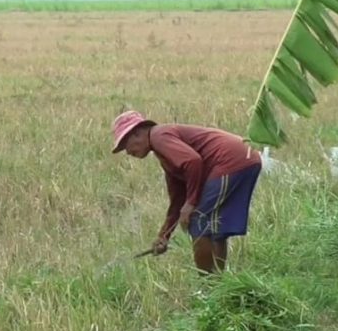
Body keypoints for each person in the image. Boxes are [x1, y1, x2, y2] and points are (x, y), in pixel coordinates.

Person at [111, 110, 262, 275]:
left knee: (198, 221)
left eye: (125, 144)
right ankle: (219, 284)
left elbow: (193, 162)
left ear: (137, 133)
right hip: (245, 157)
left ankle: (206, 286)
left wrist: (191, 203)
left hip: (231, 161)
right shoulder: (165, 154)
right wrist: (164, 236)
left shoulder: (158, 136)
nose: (127, 152)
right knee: (214, 227)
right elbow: (177, 201)